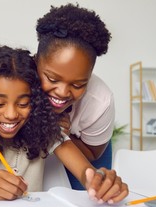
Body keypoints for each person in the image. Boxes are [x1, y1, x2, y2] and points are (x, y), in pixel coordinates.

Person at [0, 45, 128, 204]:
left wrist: (99, 180)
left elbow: (86, 173)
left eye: (24, 103)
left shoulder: (45, 127)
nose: (11, 114)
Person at [35, 3, 116, 190]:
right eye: (52, 78)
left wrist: (64, 133)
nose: (63, 92)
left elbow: (93, 154)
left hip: (82, 148)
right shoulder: (18, 81)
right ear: (36, 61)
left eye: (78, 84)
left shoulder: (100, 101)